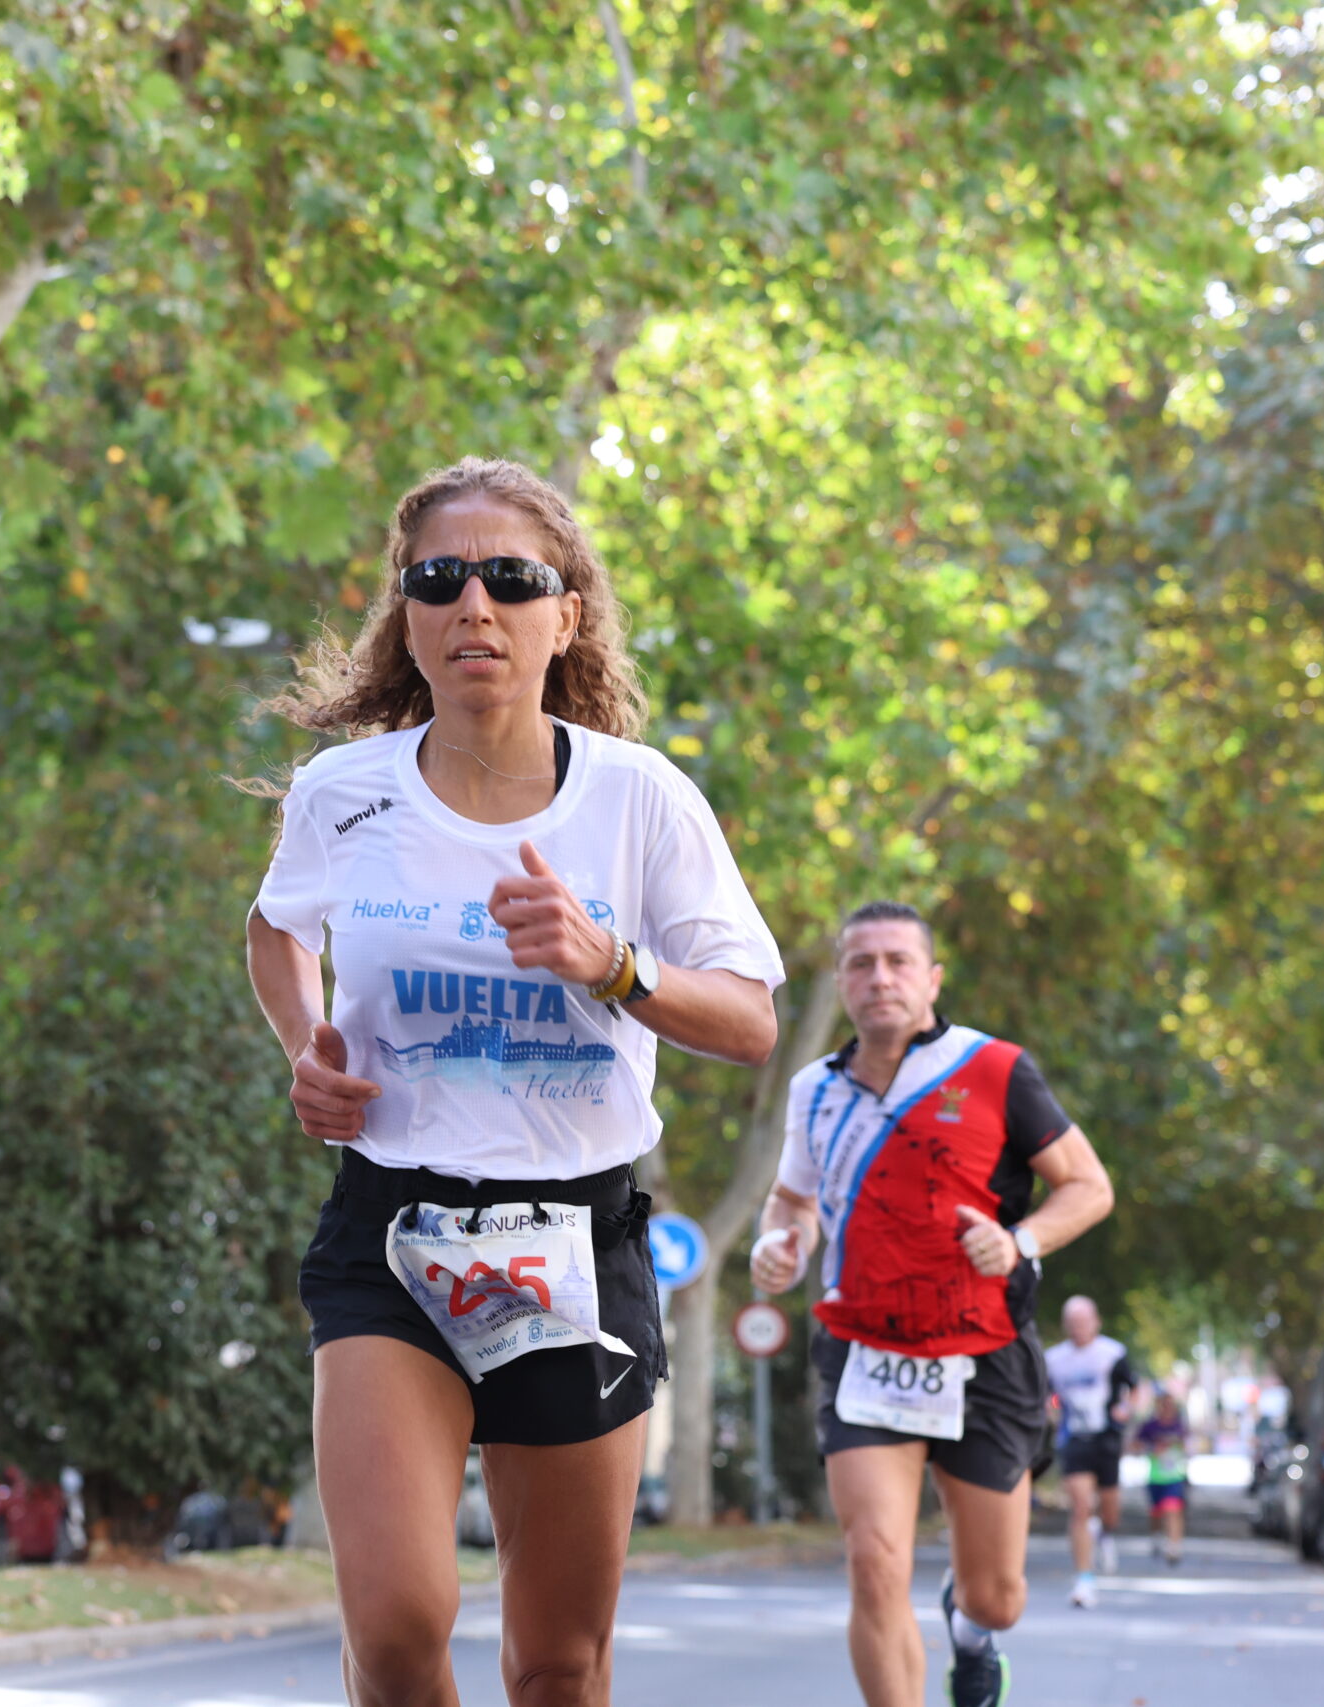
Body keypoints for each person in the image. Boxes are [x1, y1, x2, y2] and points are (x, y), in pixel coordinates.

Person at [247, 457, 784, 1707]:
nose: (472, 603)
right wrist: (305, 1046)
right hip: (393, 1232)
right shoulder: (343, 794)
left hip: (576, 1241)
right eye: (438, 578)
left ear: (565, 616)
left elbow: (752, 1020)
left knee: (556, 1664)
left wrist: (612, 964)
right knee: (395, 1628)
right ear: (407, 616)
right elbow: (276, 928)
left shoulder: (640, 799)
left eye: (510, 578)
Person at [750, 902, 1115, 1707]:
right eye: (860, 962)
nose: (879, 977)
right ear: (841, 980)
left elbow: (1089, 1186)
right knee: (874, 1562)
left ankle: (971, 1628)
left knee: (998, 1596)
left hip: (983, 1351)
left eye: (898, 961)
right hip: (864, 1350)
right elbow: (793, 1199)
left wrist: (1020, 1241)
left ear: (932, 978)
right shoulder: (814, 1088)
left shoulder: (994, 1068)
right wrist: (778, 1242)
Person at [1044, 1295, 1139, 1606]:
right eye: (1072, 1323)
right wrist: (1050, 1412)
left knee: (1110, 1510)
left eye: (1083, 1322)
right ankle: (1084, 1579)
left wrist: (1126, 1410)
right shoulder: (1053, 1359)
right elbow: (1045, 1395)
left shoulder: (1112, 1353)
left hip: (1106, 1438)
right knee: (1081, 1507)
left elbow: (1135, 1388)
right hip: (1074, 1438)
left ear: (1095, 1322)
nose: (1078, 1328)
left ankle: (1105, 1533)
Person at [1133, 1389, 1188, 1566]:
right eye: (1164, 1405)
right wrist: (1152, 1448)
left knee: (1173, 1510)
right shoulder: (1149, 1426)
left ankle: (1174, 1547)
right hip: (1155, 1477)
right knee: (1156, 1513)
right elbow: (1135, 1446)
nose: (1167, 1408)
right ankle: (1156, 1536)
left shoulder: (1179, 1426)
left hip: (1175, 1476)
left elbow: (1189, 1446)